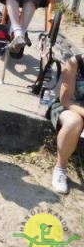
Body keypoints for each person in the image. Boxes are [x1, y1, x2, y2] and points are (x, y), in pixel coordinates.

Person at [49, 54, 84, 194]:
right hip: (70, 107)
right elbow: (66, 100)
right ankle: (60, 168)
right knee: (74, 122)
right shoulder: (76, 63)